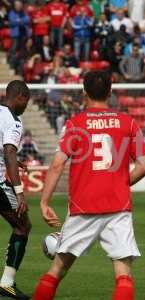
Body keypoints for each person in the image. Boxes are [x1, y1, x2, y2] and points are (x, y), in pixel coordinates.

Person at [32, 71, 145, 300]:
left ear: (84, 92)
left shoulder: (74, 124)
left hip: (82, 207)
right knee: (123, 275)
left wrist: (44, 201)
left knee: (57, 270)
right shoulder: (129, 123)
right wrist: (122, 184)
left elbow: (57, 164)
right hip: (118, 207)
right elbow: (144, 166)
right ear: (110, 92)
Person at [0, 80, 31, 299]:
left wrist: (12, 160)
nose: (26, 106)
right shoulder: (13, 120)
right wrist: (19, 192)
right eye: (26, 101)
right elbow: (9, 151)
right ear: (19, 96)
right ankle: (7, 282)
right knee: (22, 225)